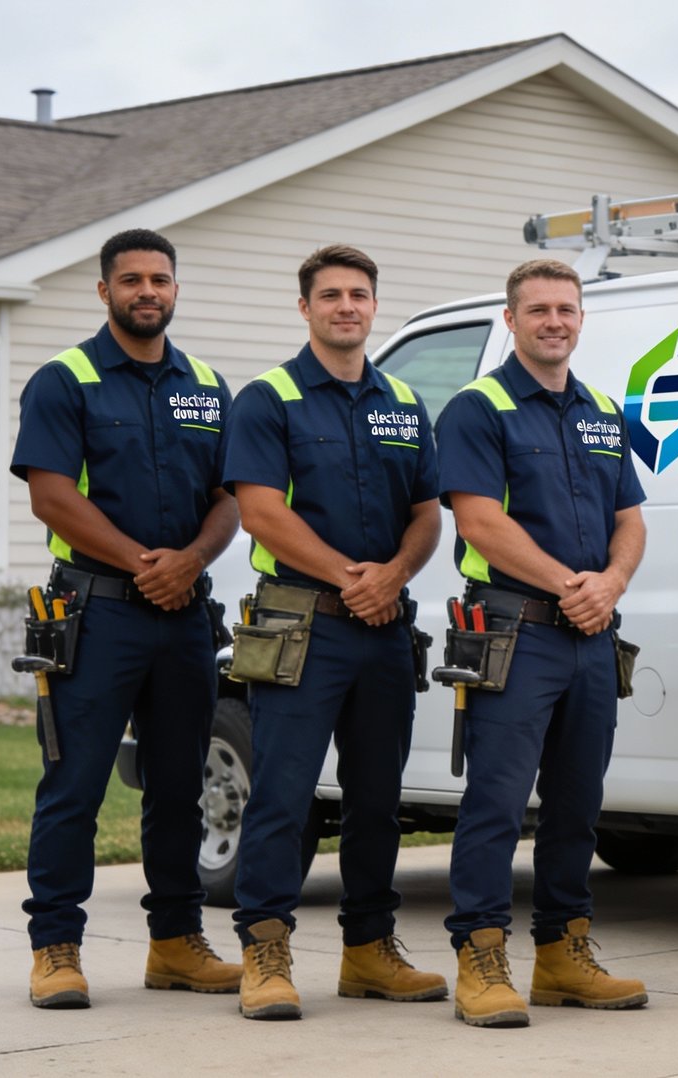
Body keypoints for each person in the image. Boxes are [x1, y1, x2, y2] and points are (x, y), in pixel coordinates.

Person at [12, 227, 242, 1008]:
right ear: (104, 290)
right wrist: (149, 565)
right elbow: (51, 496)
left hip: (184, 618)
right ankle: (56, 948)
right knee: (73, 785)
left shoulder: (207, 386)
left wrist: (192, 561)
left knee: (179, 787)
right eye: (133, 279)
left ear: (175, 288)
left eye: (161, 279)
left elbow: (229, 497)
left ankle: (176, 944)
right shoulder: (65, 380)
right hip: (95, 613)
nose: (148, 291)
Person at [222, 244, 444, 1020]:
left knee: (378, 799)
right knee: (282, 796)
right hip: (301, 625)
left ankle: (369, 951)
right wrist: (355, 578)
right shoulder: (269, 399)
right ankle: (265, 952)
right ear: (305, 308)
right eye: (330, 295)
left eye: (358, 294)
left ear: (374, 306)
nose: (346, 306)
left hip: (384, 630)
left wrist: (395, 574)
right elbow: (261, 512)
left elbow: (427, 512)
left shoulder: (404, 402)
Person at [435, 259, 649, 1029]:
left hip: (591, 636)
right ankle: (480, 956)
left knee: (577, 805)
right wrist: (571, 585)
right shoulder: (478, 408)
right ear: (511, 319)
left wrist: (611, 584)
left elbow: (630, 519)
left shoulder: (602, 412)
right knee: (495, 801)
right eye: (538, 310)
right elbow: (479, 522)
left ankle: (562, 955)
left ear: (581, 319)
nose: (554, 321)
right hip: (514, 631)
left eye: (566, 309)